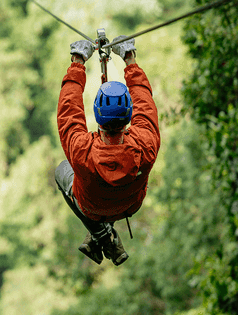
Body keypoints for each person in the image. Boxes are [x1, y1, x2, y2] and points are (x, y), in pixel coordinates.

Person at [55, 36, 160, 265]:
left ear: (97, 115)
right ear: (129, 116)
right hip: (130, 204)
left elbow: (68, 112)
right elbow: (145, 104)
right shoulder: (146, 146)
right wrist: (129, 60)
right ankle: (104, 235)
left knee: (62, 170)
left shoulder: (82, 151)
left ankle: (102, 235)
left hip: (92, 208)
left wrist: (77, 63)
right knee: (108, 188)